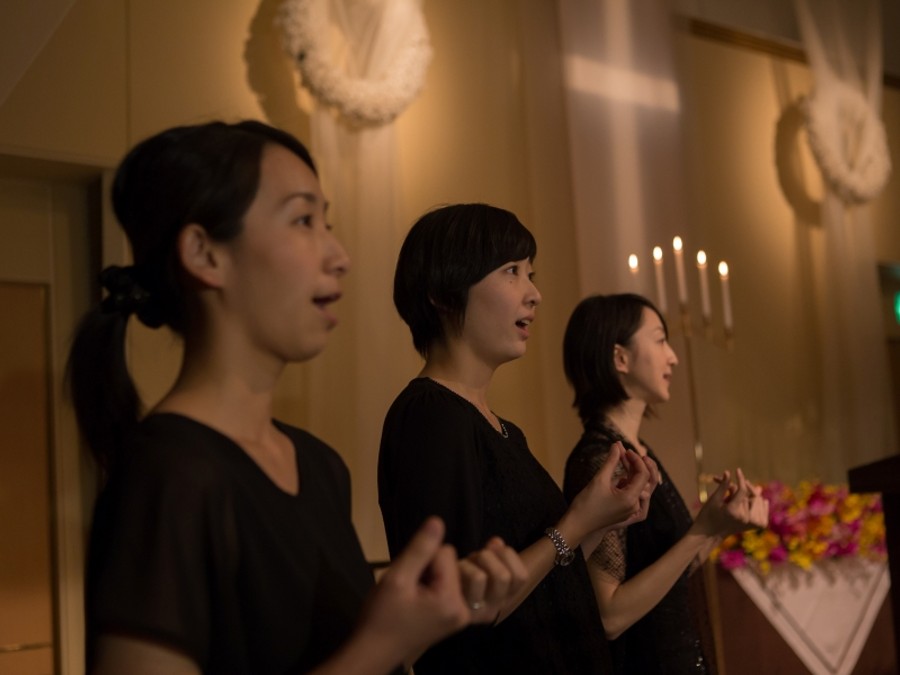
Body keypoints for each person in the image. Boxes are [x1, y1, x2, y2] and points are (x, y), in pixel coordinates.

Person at [66, 121, 528, 675]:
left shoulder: (319, 467)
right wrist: (380, 643)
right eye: (304, 220)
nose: (339, 256)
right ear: (204, 254)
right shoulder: (169, 475)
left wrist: (425, 617)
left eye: (327, 223)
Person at [378, 203, 657, 674]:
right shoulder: (430, 418)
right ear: (444, 294)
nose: (534, 294)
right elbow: (464, 605)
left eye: (530, 273)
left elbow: (541, 579)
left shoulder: (503, 430)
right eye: (511, 272)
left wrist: (598, 520)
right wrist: (573, 525)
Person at [562, 293, 770, 675]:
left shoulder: (638, 450)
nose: (672, 356)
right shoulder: (602, 460)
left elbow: (665, 574)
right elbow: (609, 615)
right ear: (620, 357)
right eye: (659, 340)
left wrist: (719, 527)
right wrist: (701, 532)